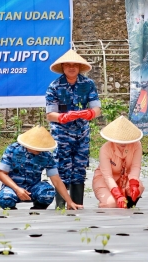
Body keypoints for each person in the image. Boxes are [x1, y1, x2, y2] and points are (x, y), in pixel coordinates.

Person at [45, 49, 101, 208]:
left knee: (80, 167)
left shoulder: (88, 84)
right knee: (61, 168)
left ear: (79, 67)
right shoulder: (54, 87)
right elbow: (50, 114)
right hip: (61, 134)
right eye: (68, 65)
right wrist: (63, 117)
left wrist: (89, 113)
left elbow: (97, 109)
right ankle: (61, 205)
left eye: (74, 65)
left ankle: (77, 205)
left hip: (82, 133)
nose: (71, 68)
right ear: (62, 67)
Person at [0, 126, 83, 210]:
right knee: (6, 199)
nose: (39, 150)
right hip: (13, 188)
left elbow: (56, 180)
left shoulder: (47, 156)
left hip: (33, 188)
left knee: (48, 193)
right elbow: (1, 174)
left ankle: (37, 209)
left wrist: (69, 201)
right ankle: (12, 212)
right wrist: (17, 189)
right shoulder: (12, 150)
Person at [92, 116, 144, 209]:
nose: (123, 144)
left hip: (125, 178)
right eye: (119, 141)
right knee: (111, 204)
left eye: (125, 141)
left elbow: (135, 167)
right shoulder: (105, 149)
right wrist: (117, 194)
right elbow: (107, 176)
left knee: (138, 187)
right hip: (104, 180)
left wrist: (133, 183)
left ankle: (129, 205)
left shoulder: (137, 145)